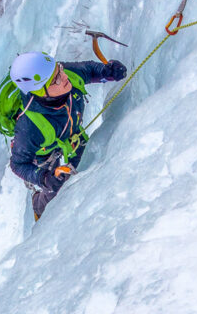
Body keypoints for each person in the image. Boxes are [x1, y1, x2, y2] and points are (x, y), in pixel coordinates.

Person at [8, 51, 127, 219]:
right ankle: (38, 206)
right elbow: (18, 164)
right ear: (40, 92)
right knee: (56, 190)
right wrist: (44, 178)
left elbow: (89, 70)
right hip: (47, 158)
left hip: (73, 140)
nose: (64, 77)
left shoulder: (66, 75)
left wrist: (107, 72)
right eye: (56, 79)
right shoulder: (30, 127)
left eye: (59, 69)